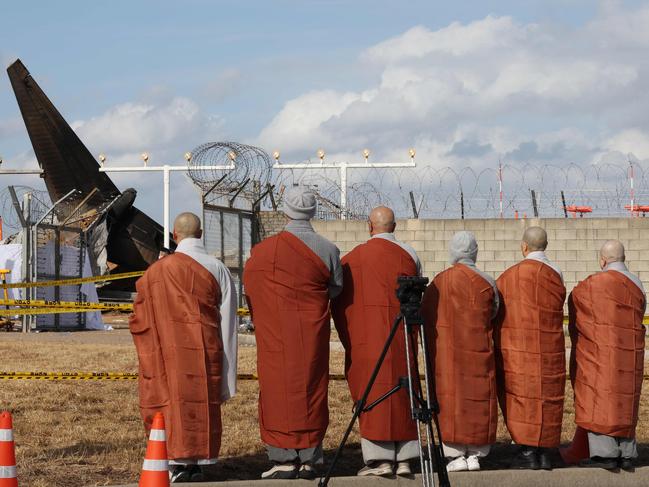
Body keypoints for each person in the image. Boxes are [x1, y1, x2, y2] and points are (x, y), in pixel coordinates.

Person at [129, 212, 238, 483]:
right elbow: (229, 322)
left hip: (168, 351)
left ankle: (177, 462)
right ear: (200, 234)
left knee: (173, 401)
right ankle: (197, 462)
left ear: (175, 236)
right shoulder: (217, 268)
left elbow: (139, 317)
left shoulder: (157, 271)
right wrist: (228, 374)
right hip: (207, 350)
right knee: (199, 404)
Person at [243, 185, 343, 480]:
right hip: (312, 334)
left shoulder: (264, 251)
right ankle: (311, 456)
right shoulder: (328, 249)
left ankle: (283, 457)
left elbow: (251, 285)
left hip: (276, 333)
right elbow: (336, 288)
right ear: (312, 211)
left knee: (278, 391)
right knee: (312, 388)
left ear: (285, 211)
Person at [332, 206, 421, 478]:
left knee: (373, 391)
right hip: (402, 338)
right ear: (394, 227)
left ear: (370, 226)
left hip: (368, 339)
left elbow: (339, 300)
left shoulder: (352, 260)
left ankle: (379, 460)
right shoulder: (409, 255)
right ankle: (405, 458)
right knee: (404, 390)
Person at [422, 231, 499, 472]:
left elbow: (426, 314)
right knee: (479, 397)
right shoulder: (487, 281)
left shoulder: (438, 282)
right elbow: (495, 312)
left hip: (448, 353)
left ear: (452, 252)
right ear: (475, 252)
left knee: (450, 398)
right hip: (479, 350)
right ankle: (476, 453)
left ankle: (454, 454)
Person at [568, 240, 646, 471]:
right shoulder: (637, 283)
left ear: (602, 260)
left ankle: (606, 453)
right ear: (624, 258)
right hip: (629, 353)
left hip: (600, 352)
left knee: (601, 397)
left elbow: (576, 300)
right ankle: (628, 452)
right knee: (625, 399)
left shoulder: (593, 284)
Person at [494, 226, 566, 470]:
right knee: (547, 395)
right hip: (549, 348)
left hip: (519, 347)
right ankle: (546, 451)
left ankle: (526, 450)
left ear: (524, 246)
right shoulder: (556, 272)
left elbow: (498, 310)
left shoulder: (509, 276)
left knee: (522, 396)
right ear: (546, 245)